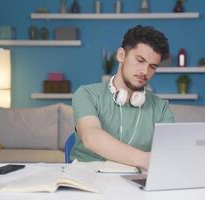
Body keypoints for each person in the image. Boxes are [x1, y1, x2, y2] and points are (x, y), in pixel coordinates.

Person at [71, 25, 174, 170]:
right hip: (88, 177)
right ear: (121, 55)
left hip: (136, 181)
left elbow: (169, 153)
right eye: (140, 60)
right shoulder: (86, 94)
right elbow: (91, 138)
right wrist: (146, 160)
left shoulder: (161, 108)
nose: (145, 71)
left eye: (153, 67)